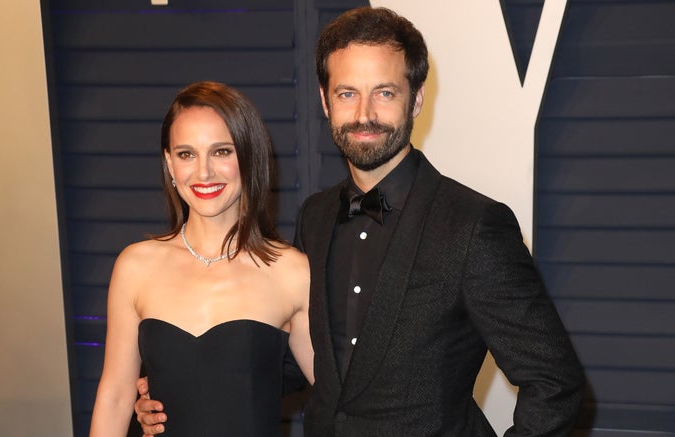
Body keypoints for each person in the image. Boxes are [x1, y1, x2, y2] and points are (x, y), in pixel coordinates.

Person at [135, 7, 585, 436]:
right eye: (347, 93)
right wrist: (177, 389)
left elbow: (554, 382)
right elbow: (301, 365)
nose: (365, 113)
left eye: (384, 93)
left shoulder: (475, 225)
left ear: (416, 99)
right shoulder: (316, 216)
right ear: (326, 102)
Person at [89, 81, 314, 437]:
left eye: (222, 152)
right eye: (186, 154)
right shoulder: (135, 267)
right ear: (169, 163)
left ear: (248, 157)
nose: (204, 172)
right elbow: (115, 397)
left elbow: (341, 399)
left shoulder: (291, 272)